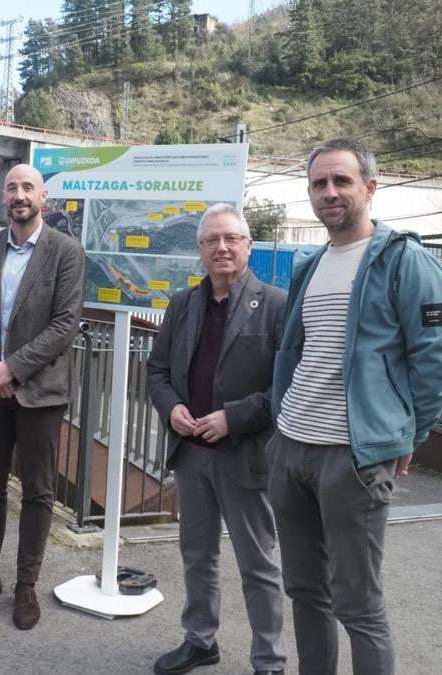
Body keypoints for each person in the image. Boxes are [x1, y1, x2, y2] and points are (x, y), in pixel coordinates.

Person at [270, 138, 442, 674]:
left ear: (370, 188)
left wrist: (403, 437)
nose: (329, 192)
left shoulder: (406, 261)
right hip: (292, 447)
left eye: (341, 181)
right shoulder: (309, 266)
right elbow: (297, 352)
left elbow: (436, 361)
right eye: (319, 183)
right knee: (305, 590)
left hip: (352, 457)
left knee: (358, 602)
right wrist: (279, 432)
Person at [146, 203, 287, 675]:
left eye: (231, 238)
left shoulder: (276, 305)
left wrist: (234, 417)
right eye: (211, 241)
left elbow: (288, 386)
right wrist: (173, 409)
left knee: (257, 564)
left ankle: (269, 660)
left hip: (244, 456)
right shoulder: (183, 304)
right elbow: (158, 372)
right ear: (200, 250)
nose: (222, 247)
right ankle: (200, 640)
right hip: (191, 456)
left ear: (248, 245)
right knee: (197, 555)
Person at [0, 163, 85, 630]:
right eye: (12, 188)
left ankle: (26, 583)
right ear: (4, 198)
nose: (19, 195)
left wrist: (14, 367)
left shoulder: (65, 252)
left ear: (42, 198)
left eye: (28, 187)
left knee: (38, 491)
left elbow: (65, 323)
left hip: (40, 392)